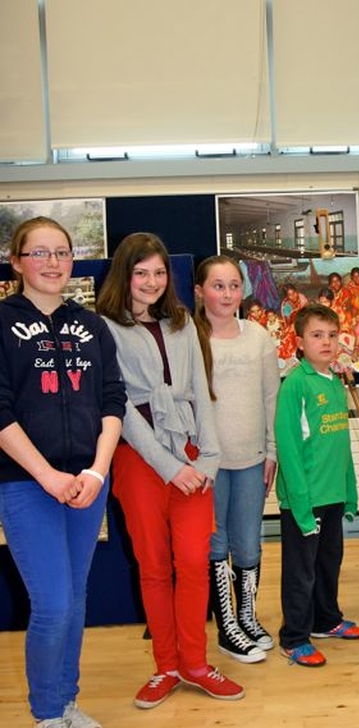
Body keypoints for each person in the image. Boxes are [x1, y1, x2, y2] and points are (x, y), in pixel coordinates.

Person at [96, 233, 244, 709]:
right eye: (141, 273)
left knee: (194, 562)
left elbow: (202, 392)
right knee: (155, 567)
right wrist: (167, 467)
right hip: (140, 458)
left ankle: (196, 664)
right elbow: (118, 406)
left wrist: (208, 459)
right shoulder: (105, 327)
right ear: (125, 275)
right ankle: (166, 666)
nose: (152, 282)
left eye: (159, 273)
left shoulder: (183, 323)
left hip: (192, 450)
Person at [0, 217, 126, 728]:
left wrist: (97, 472)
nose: (53, 263)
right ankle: (47, 714)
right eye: (40, 253)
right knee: (51, 602)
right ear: (17, 262)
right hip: (27, 483)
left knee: (75, 600)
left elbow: (113, 401)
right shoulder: (2, 323)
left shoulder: (93, 325)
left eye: (62, 252)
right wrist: (48, 475)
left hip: (88, 483)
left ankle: (68, 702)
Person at [193, 255, 280, 664]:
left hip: (251, 458)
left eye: (233, 285)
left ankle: (247, 616)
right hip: (209, 464)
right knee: (217, 541)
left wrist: (272, 450)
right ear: (200, 291)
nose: (227, 294)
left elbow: (270, 398)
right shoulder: (189, 338)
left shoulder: (259, 337)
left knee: (248, 542)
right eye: (218, 285)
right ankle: (226, 625)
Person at [275, 303, 359, 667]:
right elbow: (289, 447)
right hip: (306, 499)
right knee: (301, 571)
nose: (326, 342)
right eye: (317, 336)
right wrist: (300, 504)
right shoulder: (295, 385)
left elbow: (340, 443)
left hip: (332, 494)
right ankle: (294, 636)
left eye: (331, 335)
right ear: (300, 342)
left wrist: (350, 492)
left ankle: (325, 620)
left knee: (330, 561)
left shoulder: (335, 381)